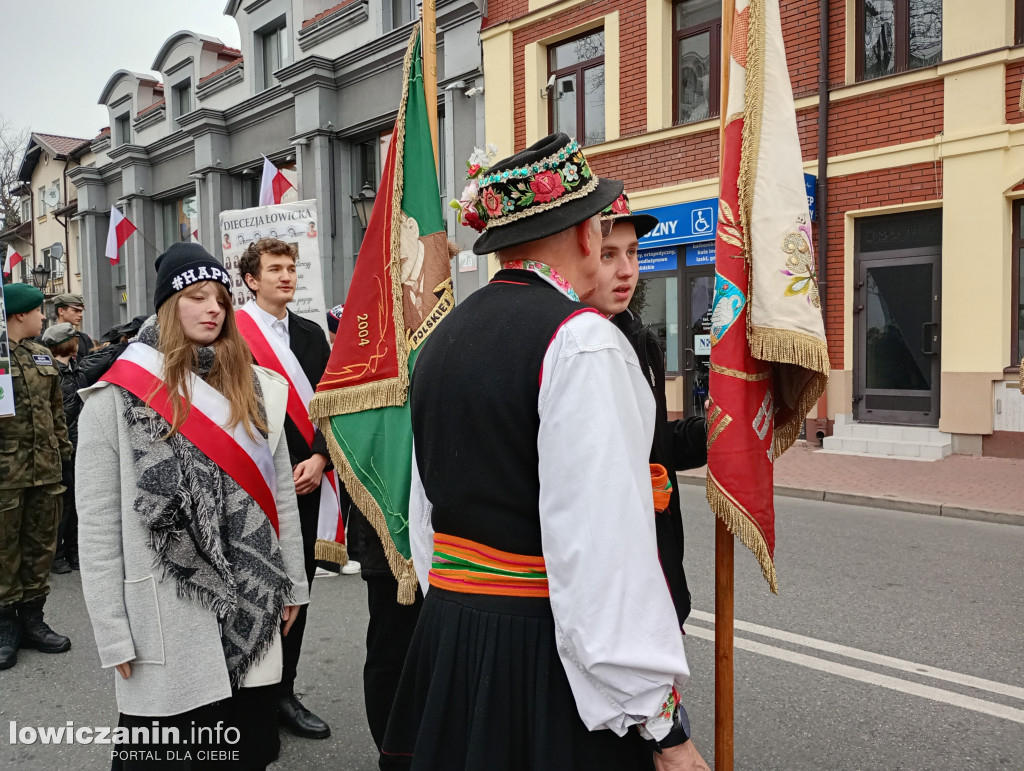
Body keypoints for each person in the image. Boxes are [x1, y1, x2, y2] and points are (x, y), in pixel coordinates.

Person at [381, 133, 693, 770]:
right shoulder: (582, 342)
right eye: (601, 226)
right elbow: (603, 556)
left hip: (454, 630)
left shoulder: (443, 340)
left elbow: (424, 514)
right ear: (583, 234)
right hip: (539, 651)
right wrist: (662, 725)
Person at [75, 242, 309, 769]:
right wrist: (112, 632)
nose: (213, 310)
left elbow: (280, 498)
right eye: (197, 297)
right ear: (167, 307)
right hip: (164, 617)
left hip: (250, 602)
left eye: (221, 299)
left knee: (246, 752)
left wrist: (292, 581)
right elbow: (96, 528)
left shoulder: (254, 389)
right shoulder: (113, 399)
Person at [587, 193, 711, 770]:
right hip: (611, 577)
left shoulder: (637, 335)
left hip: (658, 553)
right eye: (609, 253)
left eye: (634, 253)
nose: (626, 269)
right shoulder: (577, 342)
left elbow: (655, 444)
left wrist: (722, 432)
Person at [236, 237, 336, 740]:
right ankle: (248, 694)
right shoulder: (233, 334)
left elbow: (328, 403)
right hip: (254, 483)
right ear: (252, 280)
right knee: (253, 588)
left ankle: (284, 691)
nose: (287, 276)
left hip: (308, 482)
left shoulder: (312, 334)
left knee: (300, 589)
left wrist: (320, 456)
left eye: (292, 268)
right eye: (275, 268)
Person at [0, 283, 74, 671]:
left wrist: (63, 451)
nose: (43, 316)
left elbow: (55, 409)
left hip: (45, 471)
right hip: (6, 473)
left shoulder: (42, 355)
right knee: (3, 551)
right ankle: (5, 627)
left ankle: (33, 620)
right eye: (36, 311)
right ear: (18, 315)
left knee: (41, 547)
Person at [41, 322, 88, 575]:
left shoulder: (76, 370)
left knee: (77, 502)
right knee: (63, 504)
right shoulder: (54, 373)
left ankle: (74, 551)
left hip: (79, 445)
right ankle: (57, 555)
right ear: (70, 344)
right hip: (62, 448)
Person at [52, 293, 94, 359]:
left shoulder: (84, 338)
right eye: (76, 311)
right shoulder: (46, 338)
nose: (80, 315)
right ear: (61, 311)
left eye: (80, 311)